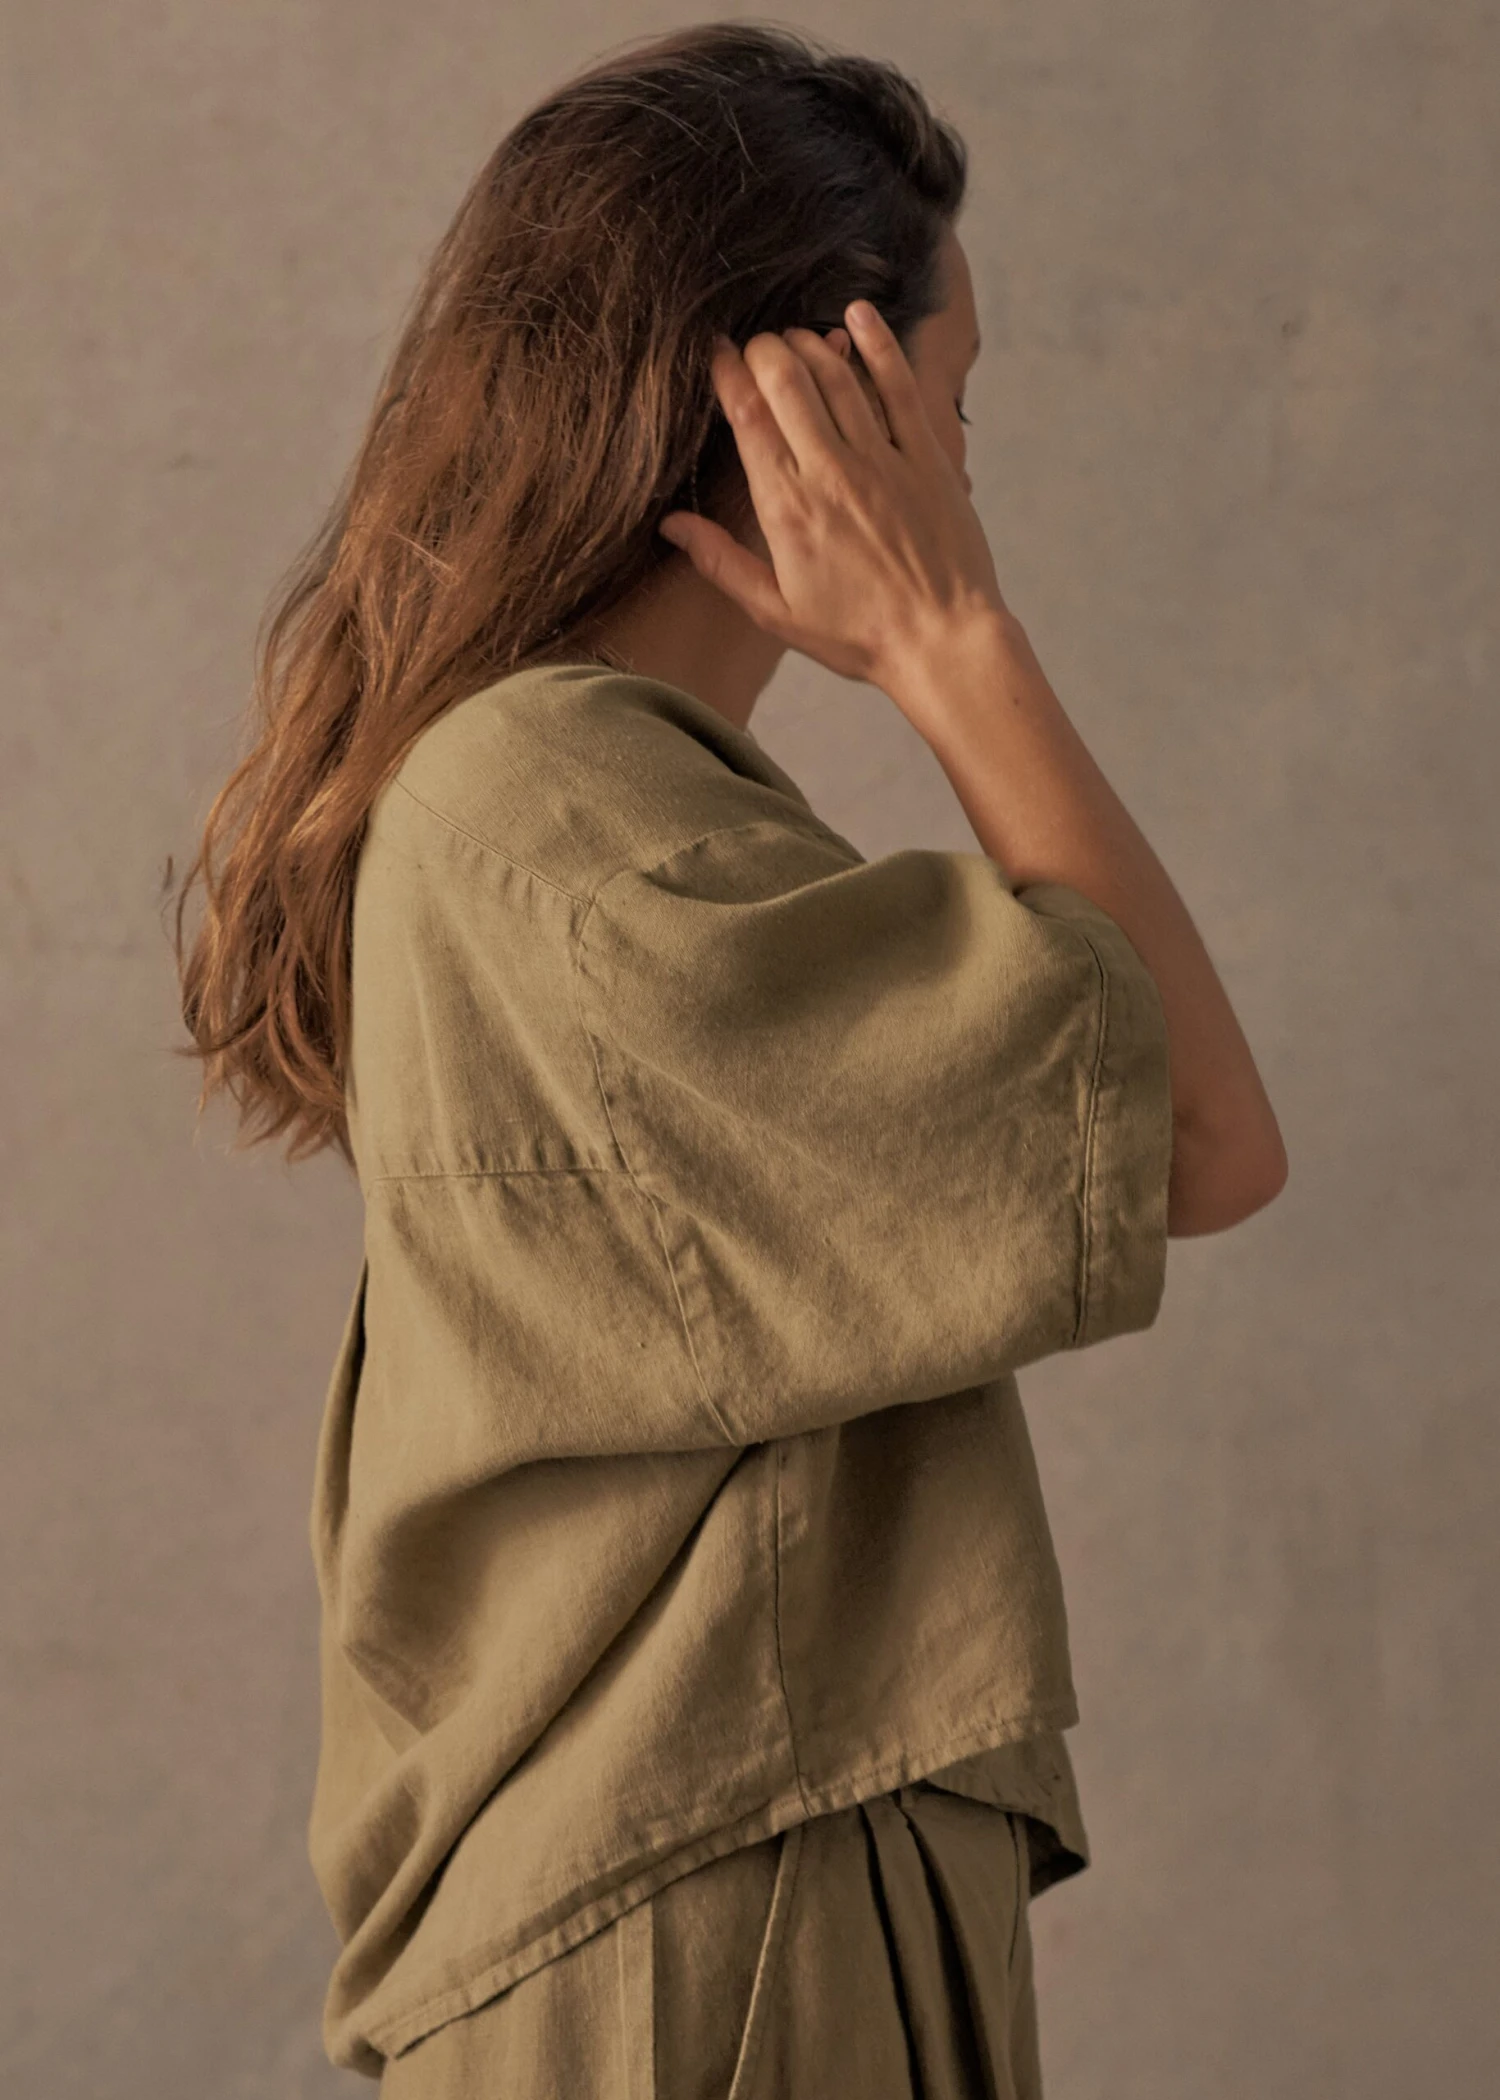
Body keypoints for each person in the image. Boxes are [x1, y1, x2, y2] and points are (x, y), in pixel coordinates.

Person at [173, 21, 1287, 2097]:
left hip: (707, 1888)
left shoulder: (565, 803)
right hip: (715, 1905)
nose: (961, 479)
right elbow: (1205, 1136)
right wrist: (953, 644)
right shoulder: (562, 818)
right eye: (946, 409)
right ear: (808, 415)